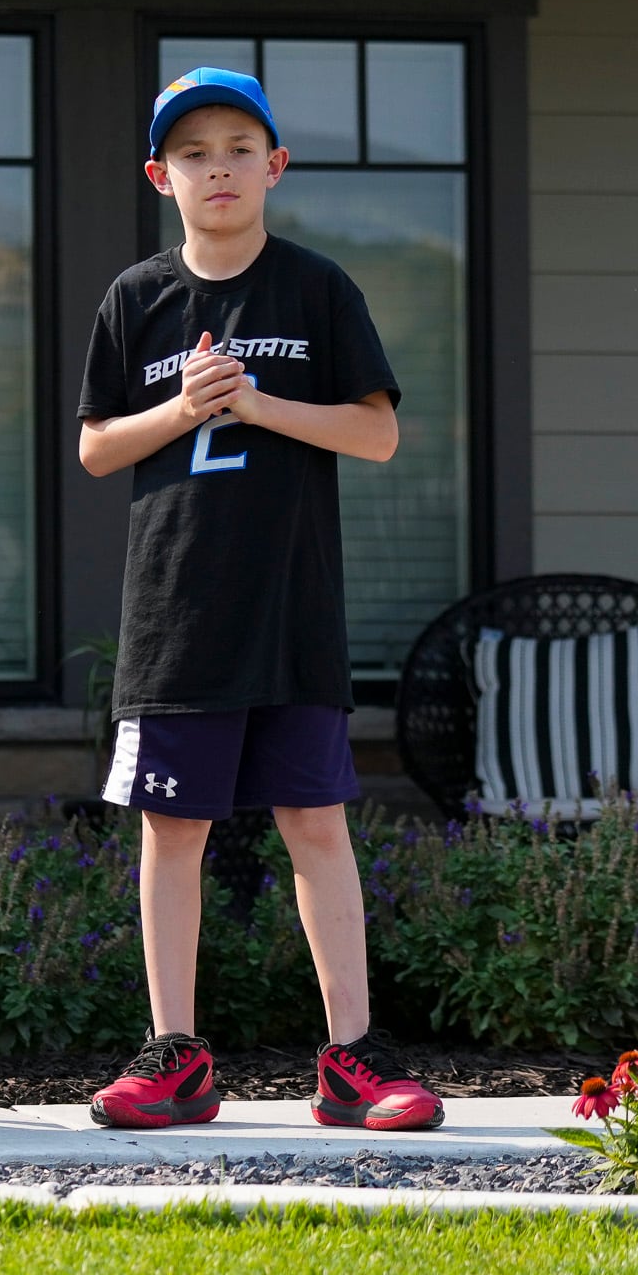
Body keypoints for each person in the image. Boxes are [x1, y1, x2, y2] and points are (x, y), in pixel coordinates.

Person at [74, 67, 443, 1133]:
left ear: (274, 166)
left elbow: (374, 434)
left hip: (293, 612)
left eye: (239, 147)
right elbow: (96, 448)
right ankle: (174, 1060)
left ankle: (350, 1062)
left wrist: (261, 401)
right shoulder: (134, 299)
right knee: (171, 834)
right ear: (161, 176)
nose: (218, 167)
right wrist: (184, 406)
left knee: (314, 824)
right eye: (193, 152)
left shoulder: (316, 289)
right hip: (175, 617)